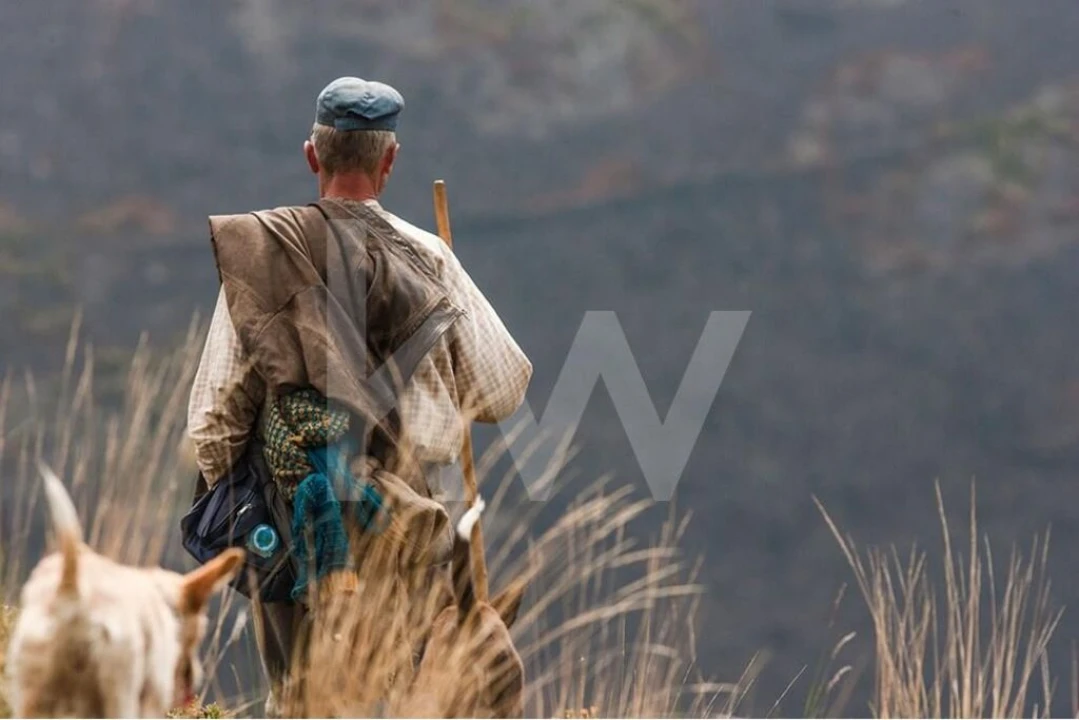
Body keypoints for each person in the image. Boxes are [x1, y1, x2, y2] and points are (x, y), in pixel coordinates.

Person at [186, 76, 533, 715]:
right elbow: (506, 389)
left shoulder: (261, 255)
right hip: (406, 525)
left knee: (301, 702)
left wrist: (261, 514)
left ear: (313, 155)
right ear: (389, 161)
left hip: (291, 524)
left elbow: (213, 421)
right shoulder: (429, 259)